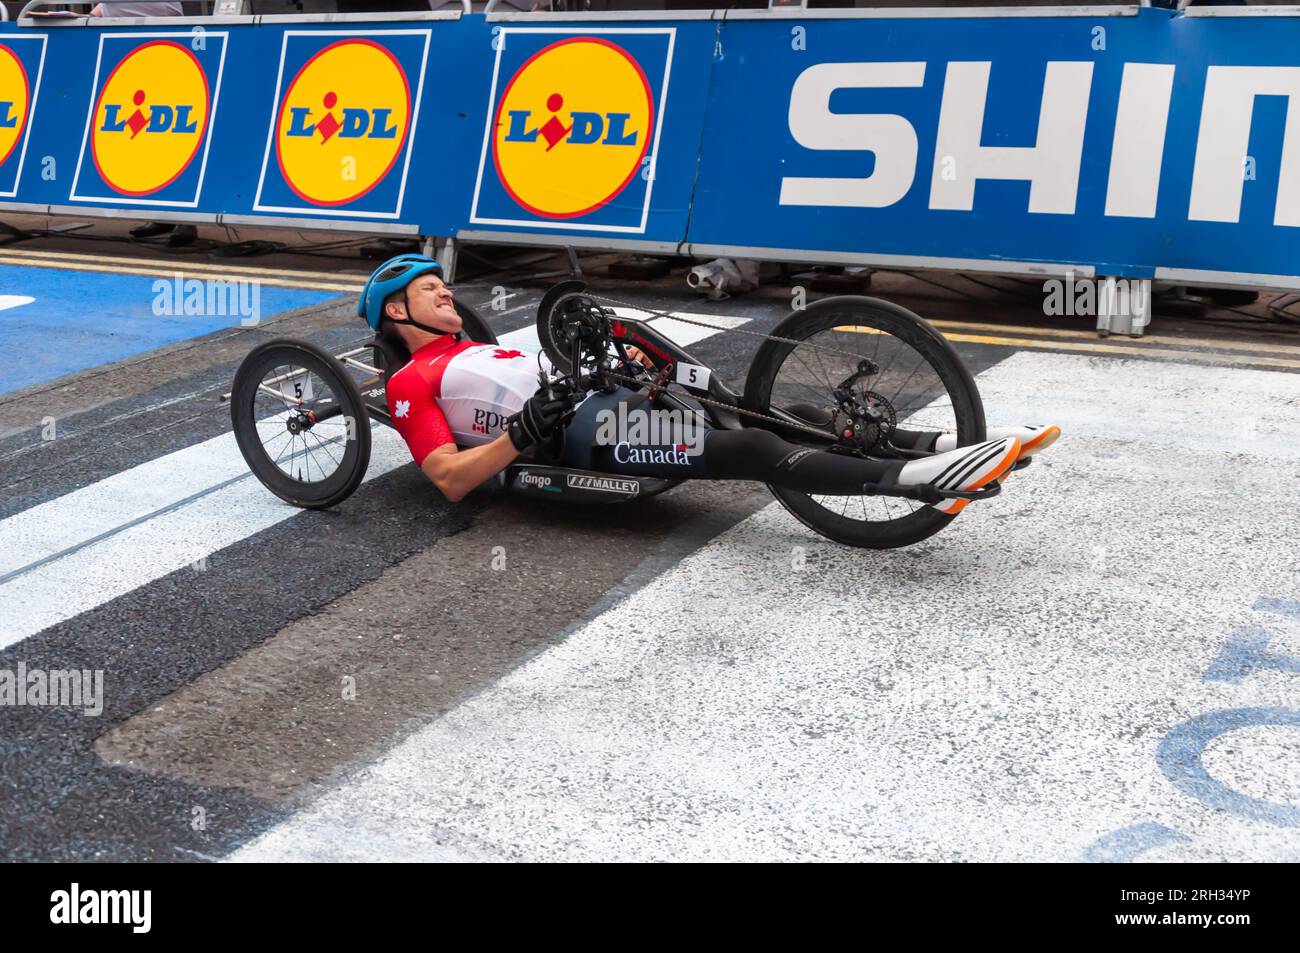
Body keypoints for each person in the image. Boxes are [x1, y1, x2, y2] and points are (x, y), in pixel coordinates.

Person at [361, 255, 1059, 512]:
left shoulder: (474, 346)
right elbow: (449, 477)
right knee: (752, 450)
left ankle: (948, 444)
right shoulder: (411, 381)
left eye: (446, 286)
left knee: (794, 409)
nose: (447, 295)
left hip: (601, 398)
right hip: (590, 435)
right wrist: (524, 431)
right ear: (397, 311)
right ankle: (921, 480)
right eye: (430, 291)